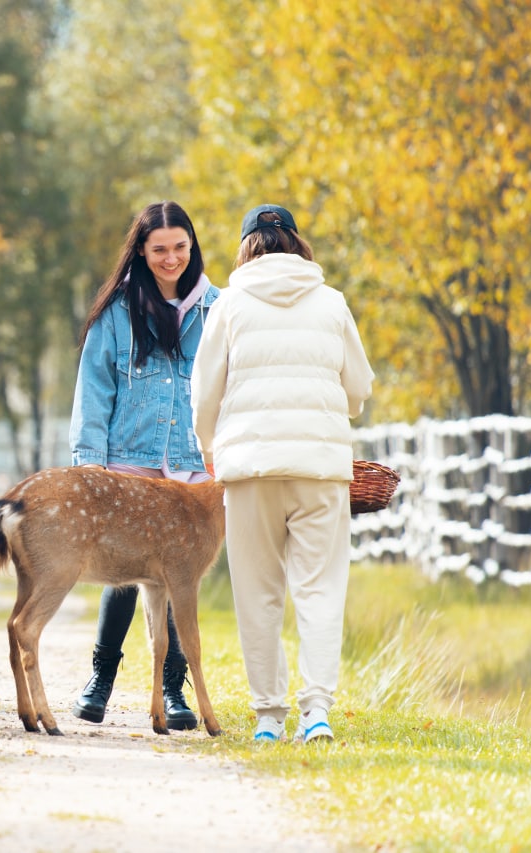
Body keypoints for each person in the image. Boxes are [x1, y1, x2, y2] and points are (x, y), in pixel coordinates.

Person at [190, 203, 374, 744]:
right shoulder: (333, 303)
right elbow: (358, 390)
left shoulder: (230, 305)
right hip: (319, 470)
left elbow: (204, 393)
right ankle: (316, 712)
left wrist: (208, 446)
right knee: (319, 591)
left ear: (247, 247)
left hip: (249, 470)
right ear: (297, 243)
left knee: (258, 593)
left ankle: (269, 717)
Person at [67, 201, 219, 730]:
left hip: (192, 463)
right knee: (123, 575)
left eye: (181, 247)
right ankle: (101, 678)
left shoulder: (216, 309)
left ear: (192, 246)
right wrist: (91, 467)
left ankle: (174, 691)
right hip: (129, 460)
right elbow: (94, 389)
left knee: (180, 580)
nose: (171, 258)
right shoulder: (117, 312)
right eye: (160, 249)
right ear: (141, 251)